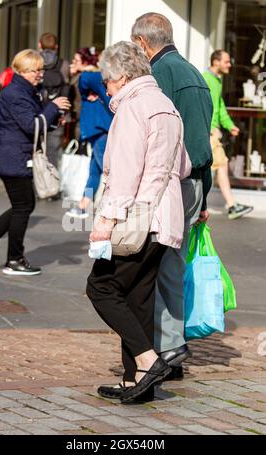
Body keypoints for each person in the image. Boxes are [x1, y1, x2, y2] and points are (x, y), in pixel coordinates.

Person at [86, 41, 192, 402]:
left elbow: (126, 173)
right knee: (138, 297)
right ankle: (137, 383)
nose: (106, 88)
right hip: (166, 219)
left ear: (125, 76)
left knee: (100, 288)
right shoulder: (167, 106)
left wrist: (105, 220)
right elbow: (185, 166)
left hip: (138, 218)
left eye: (108, 80)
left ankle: (148, 361)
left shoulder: (133, 108)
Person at [131, 12, 213, 379]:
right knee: (171, 265)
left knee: (157, 265)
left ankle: (166, 348)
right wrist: (205, 195)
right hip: (193, 180)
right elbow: (203, 138)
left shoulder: (160, 74)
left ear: (142, 43)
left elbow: (159, 135)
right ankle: (170, 344)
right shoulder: (194, 73)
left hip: (175, 181)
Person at [0, 50, 70, 276]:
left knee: (23, 205)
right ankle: (14, 259)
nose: (40, 75)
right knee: (24, 206)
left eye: (41, 70)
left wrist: (54, 118)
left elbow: (37, 123)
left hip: (15, 155)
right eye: (36, 71)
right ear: (23, 71)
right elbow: (31, 125)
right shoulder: (16, 94)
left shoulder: (26, 91)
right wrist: (53, 107)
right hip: (12, 157)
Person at [203, 50, 254, 220]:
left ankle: (229, 205)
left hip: (212, 131)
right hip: (209, 132)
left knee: (219, 167)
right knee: (221, 165)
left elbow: (220, 106)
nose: (229, 64)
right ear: (216, 62)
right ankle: (231, 206)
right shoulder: (207, 79)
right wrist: (210, 128)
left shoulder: (217, 80)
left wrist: (230, 126)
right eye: (226, 61)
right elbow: (204, 104)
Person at [66, 69, 113, 219]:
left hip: (100, 131)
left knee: (108, 171)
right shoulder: (98, 89)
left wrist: (84, 68)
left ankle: (109, 210)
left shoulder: (95, 80)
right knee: (95, 170)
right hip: (99, 131)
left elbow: (86, 78)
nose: (74, 63)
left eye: (78, 60)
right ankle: (83, 205)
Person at [38, 32, 71, 187]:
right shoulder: (63, 64)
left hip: (38, 113)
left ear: (39, 45)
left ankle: (37, 184)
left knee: (36, 150)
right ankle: (53, 186)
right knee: (53, 152)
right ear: (56, 47)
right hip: (57, 115)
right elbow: (67, 89)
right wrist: (64, 114)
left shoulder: (36, 62)